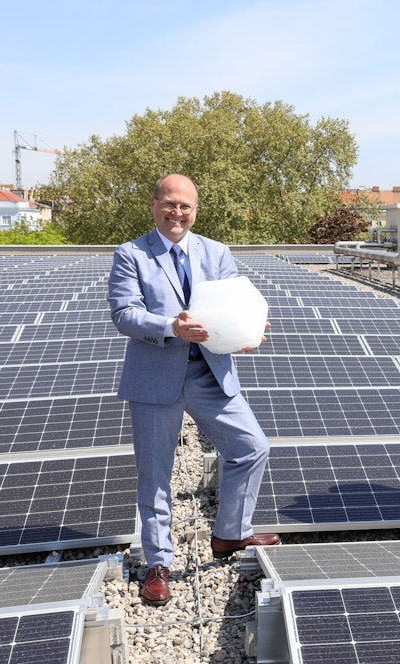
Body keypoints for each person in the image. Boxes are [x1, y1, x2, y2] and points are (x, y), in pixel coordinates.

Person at [107, 173, 279, 607]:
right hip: (155, 377)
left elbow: (235, 302)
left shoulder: (216, 252)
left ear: (195, 210)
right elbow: (124, 314)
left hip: (210, 374)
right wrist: (171, 326)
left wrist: (246, 331)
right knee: (155, 475)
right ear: (153, 205)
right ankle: (158, 564)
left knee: (251, 448)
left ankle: (231, 534)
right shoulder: (131, 254)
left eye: (185, 206)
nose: (177, 213)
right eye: (169, 204)